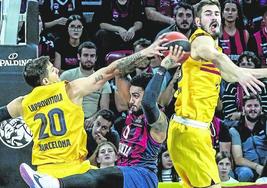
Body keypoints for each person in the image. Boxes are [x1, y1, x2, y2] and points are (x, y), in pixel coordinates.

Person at [0, 36, 166, 178]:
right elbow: (110, 71)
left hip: (44, 171)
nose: (57, 70)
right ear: (45, 81)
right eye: (51, 70)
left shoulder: (23, 103)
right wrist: (145, 52)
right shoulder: (70, 90)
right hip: (73, 169)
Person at [167, 0, 267, 187]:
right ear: (197, 21)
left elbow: (232, 73)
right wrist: (240, 75)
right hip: (191, 131)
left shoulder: (213, 50)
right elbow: (219, 58)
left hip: (186, 130)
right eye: (208, 14)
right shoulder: (200, 39)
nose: (214, 17)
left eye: (215, 13)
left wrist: (252, 73)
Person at [60, 41, 112, 118]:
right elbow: (58, 101)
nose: (89, 59)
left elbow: (104, 110)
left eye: (92, 56)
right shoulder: (67, 76)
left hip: (91, 123)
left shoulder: (103, 81)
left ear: (96, 58)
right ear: (78, 56)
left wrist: (92, 119)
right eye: (85, 55)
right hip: (69, 119)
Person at [229, 94, 267, 182]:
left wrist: (264, 168)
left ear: (261, 109)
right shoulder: (235, 130)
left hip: (265, 164)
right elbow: (238, 159)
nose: (253, 109)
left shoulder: (265, 124)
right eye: (249, 106)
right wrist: (256, 167)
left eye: (256, 106)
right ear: (243, 109)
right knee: (245, 173)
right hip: (247, 166)